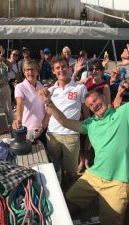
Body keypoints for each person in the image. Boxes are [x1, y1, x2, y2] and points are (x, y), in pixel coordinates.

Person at [38, 44, 129, 225]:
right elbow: (65, 122)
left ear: (103, 99)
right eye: (90, 105)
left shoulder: (123, 113)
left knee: (109, 221)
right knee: (66, 203)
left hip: (118, 182)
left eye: (96, 101)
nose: (94, 105)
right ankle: (81, 207)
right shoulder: (90, 124)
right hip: (94, 175)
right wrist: (49, 104)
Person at [46, 55, 88, 186]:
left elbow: (86, 112)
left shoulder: (80, 88)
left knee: (71, 172)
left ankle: (70, 197)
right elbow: (48, 113)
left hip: (71, 136)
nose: (61, 70)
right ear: (53, 71)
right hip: (52, 135)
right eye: (57, 68)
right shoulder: (50, 91)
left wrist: (89, 134)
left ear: (69, 68)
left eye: (63, 66)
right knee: (55, 170)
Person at [12, 60, 47, 146]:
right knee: (32, 152)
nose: (30, 72)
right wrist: (18, 120)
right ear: (24, 72)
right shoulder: (20, 87)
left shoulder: (39, 84)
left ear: (37, 72)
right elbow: (19, 104)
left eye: (33, 69)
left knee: (44, 152)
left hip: (42, 127)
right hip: (30, 130)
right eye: (27, 70)